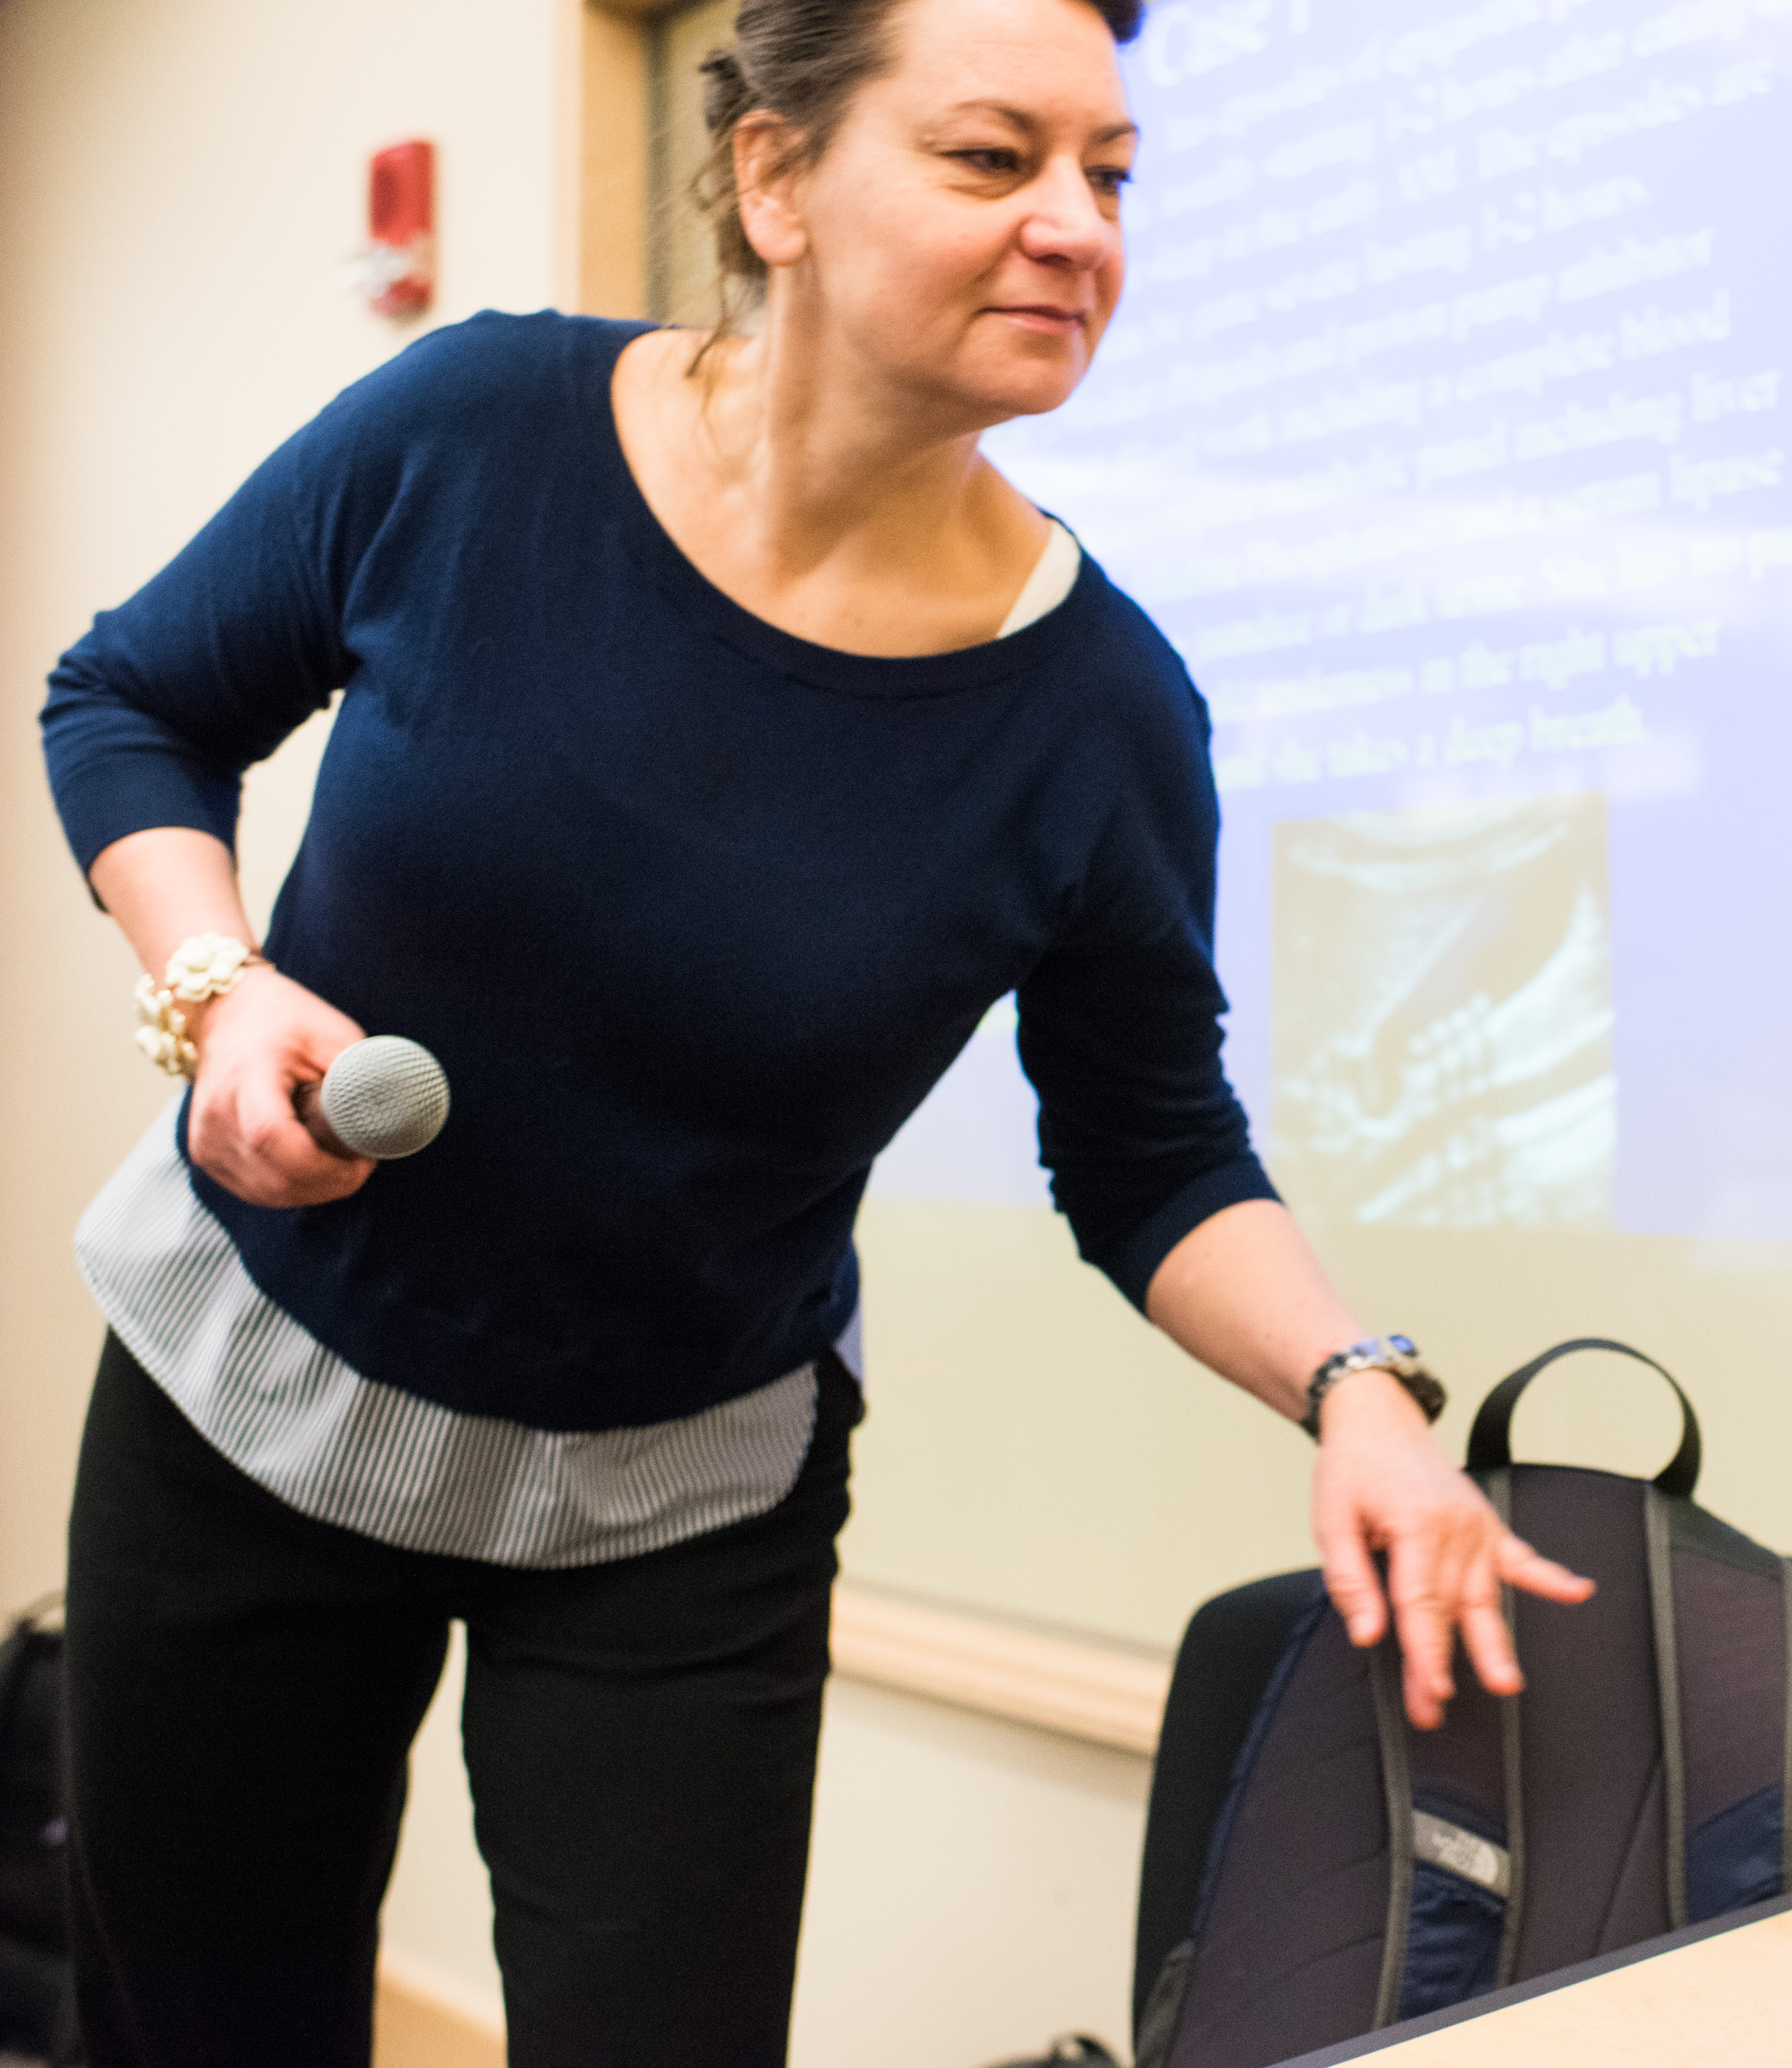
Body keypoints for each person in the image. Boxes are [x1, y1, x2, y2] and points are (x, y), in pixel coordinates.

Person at [35, 0, 1591, 2056]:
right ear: (774, 177)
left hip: (678, 1506)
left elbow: (1151, 1151)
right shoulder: (476, 433)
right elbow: (129, 699)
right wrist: (218, 986)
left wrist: (1358, 1387)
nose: (1077, 226)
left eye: (1110, 175)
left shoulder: (1099, 712)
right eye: (992, 157)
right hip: (252, 1400)